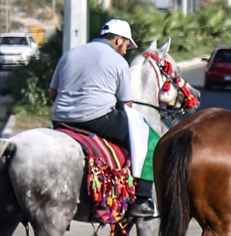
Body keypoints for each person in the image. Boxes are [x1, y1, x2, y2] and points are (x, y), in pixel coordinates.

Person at [49, 18, 155, 217]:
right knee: (148, 139)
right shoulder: (118, 61)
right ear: (117, 40)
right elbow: (126, 105)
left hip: (61, 119)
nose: (125, 50)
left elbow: (53, 95)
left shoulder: (70, 54)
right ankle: (142, 199)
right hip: (96, 119)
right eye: (125, 45)